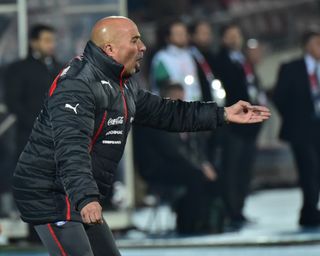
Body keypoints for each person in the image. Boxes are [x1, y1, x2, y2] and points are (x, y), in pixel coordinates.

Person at [12, 16, 270, 256]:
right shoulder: (77, 85)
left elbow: (168, 113)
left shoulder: (120, 83)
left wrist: (223, 114)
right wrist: (87, 198)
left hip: (76, 192)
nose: (143, 47)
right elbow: (70, 148)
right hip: (50, 191)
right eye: (135, 40)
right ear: (110, 49)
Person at [134, 83, 221, 234]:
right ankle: (188, 225)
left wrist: (204, 164)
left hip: (178, 165)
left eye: (182, 98)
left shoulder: (181, 117)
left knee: (213, 173)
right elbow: (172, 151)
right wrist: (199, 168)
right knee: (195, 176)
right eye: (177, 99)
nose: (181, 103)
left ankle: (208, 220)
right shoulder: (157, 117)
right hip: (157, 168)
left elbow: (194, 148)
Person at [213, 24, 267, 229]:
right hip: (233, 123)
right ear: (224, 38)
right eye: (231, 35)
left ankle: (240, 209)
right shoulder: (221, 61)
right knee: (232, 168)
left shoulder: (244, 60)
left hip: (250, 124)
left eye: (238, 35)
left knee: (245, 168)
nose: (235, 39)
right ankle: (231, 211)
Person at [273, 29, 320, 227]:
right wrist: (295, 118)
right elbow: (280, 97)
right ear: (307, 46)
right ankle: (309, 211)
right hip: (302, 129)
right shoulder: (291, 68)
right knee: (308, 170)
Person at [4, 24, 62, 158]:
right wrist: (37, 123)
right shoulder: (19, 69)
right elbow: (13, 102)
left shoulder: (62, 68)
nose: (51, 45)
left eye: (53, 40)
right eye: (47, 40)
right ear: (34, 43)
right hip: (30, 139)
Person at [150, 19, 202, 101]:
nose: (182, 36)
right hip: (173, 108)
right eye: (178, 33)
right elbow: (163, 85)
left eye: (184, 33)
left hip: (194, 105)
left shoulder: (191, 54)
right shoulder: (162, 58)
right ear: (168, 37)